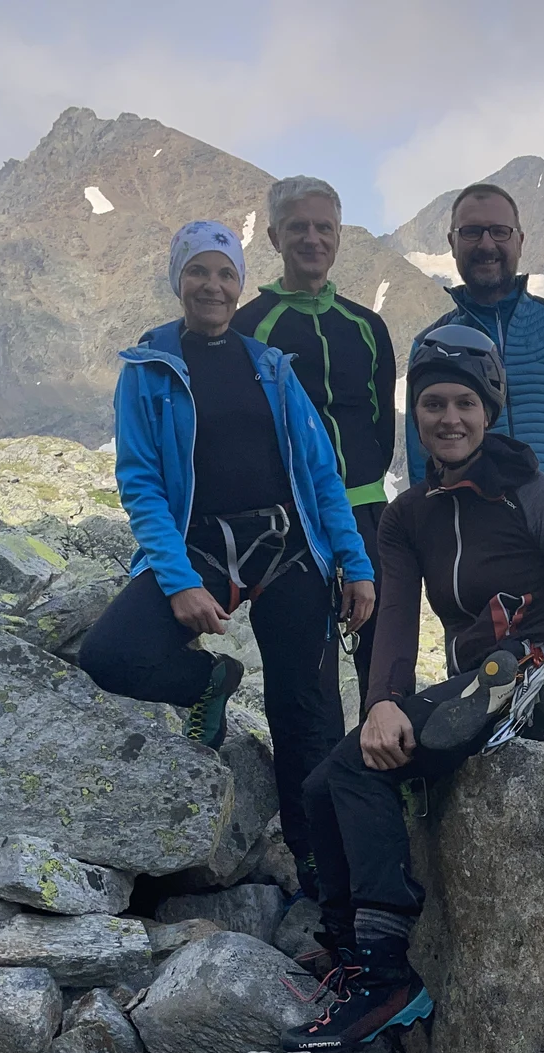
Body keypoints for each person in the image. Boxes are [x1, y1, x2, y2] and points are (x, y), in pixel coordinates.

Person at [290, 325, 544, 1050]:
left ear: (490, 408)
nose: (449, 417)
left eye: (464, 402)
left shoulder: (537, 495)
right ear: (418, 416)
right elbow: (396, 627)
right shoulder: (408, 518)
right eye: (433, 403)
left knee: (367, 767)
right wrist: (380, 703)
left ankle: (384, 975)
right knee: (323, 783)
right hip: (482, 687)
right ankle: (347, 952)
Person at [79, 220, 375, 891]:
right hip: (202, 547)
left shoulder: (268, 366)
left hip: (290, 547)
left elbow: (320, 473)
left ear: (240, 285)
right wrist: (178, 581)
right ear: (178, 280)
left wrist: (354, 562)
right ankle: (208, 682)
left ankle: (316, 860)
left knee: (308, 713)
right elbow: (142, 484)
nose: (213, 285)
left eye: (225, 273)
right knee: (111, 654)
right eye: (199, 272)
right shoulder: (148, 369)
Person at [405, 183, 544, 590]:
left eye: (499, 231)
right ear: (452, 243)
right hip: (469, 537)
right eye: (471, 232)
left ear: (520, 240)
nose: (486, 243)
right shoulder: (429, 344)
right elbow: (422, 459)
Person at [233, 176, 396, 717]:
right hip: (294, 524)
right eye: (297, 227)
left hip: (368, 513)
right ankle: (309, 798)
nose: (312, 238)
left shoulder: (367, 326)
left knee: (387, 671)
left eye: (323, 227)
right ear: (275, 238)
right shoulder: (249, 327)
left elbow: (380, 423)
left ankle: (391, 791)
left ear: (339, 236)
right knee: (303, 681)